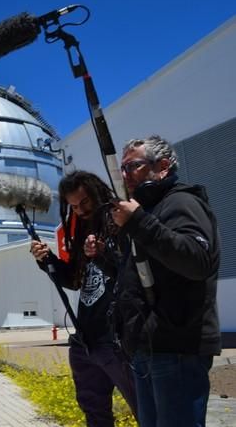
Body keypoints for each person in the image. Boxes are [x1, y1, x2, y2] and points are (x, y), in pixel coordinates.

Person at [109, 135, 220, 427]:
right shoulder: (145, 213)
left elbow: (197, 261)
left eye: (132, 166)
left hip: (177, 347)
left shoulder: (182, 202)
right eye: (122, 169)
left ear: (162, 166)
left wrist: (138, 223)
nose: (124, 175)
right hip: (147, 346)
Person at [30, 170, 137, 427]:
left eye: (84, 202)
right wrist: (48, 261)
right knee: (95, 413)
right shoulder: (81, 230)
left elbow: (133, 272)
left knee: (143, 407)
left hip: (116, 340)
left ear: (97, 193)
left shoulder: (121, 221)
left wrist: (104, 254)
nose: (80, 210)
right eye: (73, 206)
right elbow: (75, 281)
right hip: (85, 339)